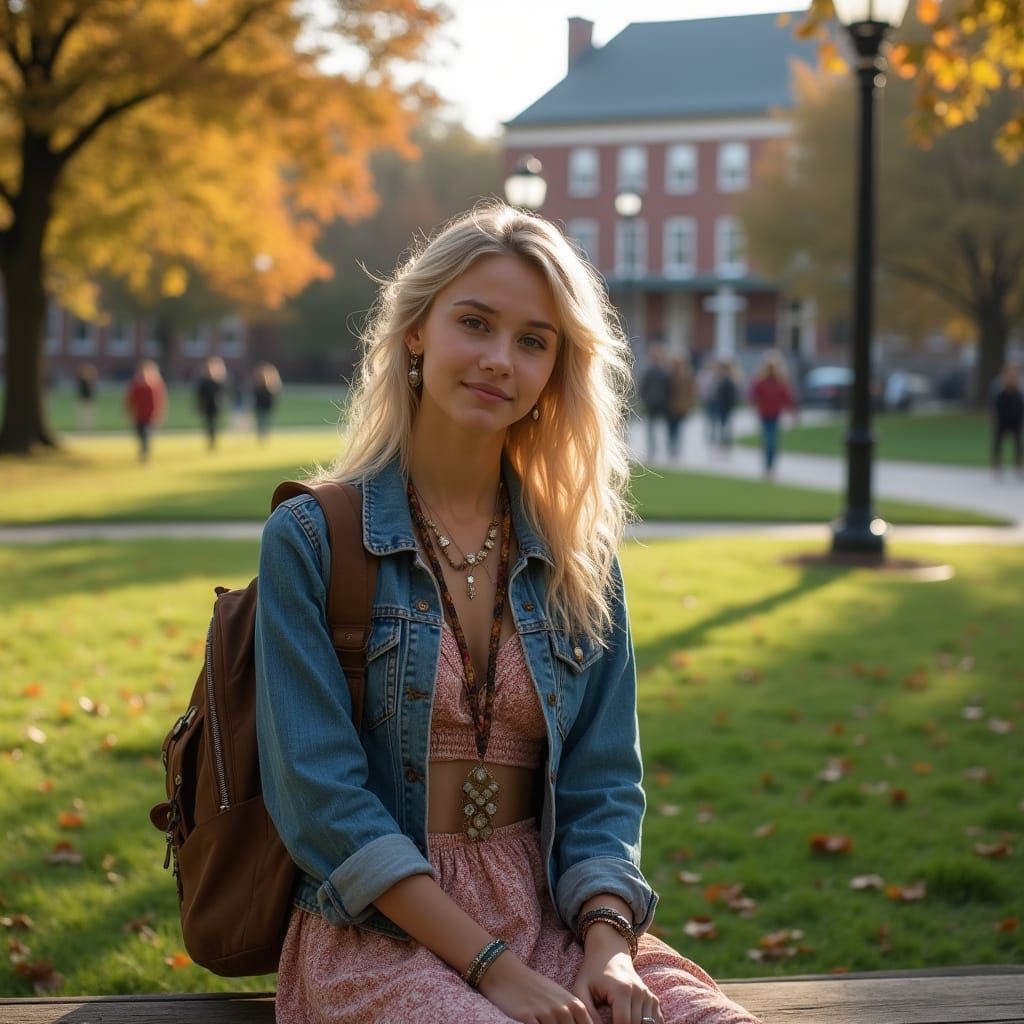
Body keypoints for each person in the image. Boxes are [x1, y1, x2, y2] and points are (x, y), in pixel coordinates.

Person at [255, 204, 759, 1024]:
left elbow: (603, 785)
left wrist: (608, 946)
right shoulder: (313, 539)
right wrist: (489, 969)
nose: (500, 359)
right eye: (475, 323)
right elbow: (322, 803)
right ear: (416, 330)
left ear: (557, 368)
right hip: (381, 933)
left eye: (533, 340)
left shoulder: (577, 558)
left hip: (553, 919)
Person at [749, 351, 797, 476]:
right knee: (767, 439)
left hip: (775, 414)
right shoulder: (761, 382)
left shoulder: (781, 383)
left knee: (773, 440)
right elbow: (754, 396)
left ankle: (771, 464)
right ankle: (767, 463)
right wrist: (754, 408)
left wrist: (793, 414)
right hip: (764, 414)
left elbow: (788, 399)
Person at [123, 360, 166, 462]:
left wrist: (157, 413)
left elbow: (158, 401)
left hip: (149, 415)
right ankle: (143, 452)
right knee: (140, 434)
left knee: (146, 434)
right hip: (139, 414)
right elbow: (131, 399)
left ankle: (145, 454)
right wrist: (128, 411)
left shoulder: (153, 386)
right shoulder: (136, 385)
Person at [638, 342, 671, 461]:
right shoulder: (662, 372)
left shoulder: (652, 371)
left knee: (652, 427)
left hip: (652, 403)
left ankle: (653, 450)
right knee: (657, 427)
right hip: (658, 403)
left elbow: (643, 387)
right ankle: (656, 450)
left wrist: (643, 398)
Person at [990, 363, 1023, 479]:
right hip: (1002, 419)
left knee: (1018, 443)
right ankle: (997, 466)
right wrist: (994, 418)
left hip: (1016, 419)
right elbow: (994, 404)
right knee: (998, 442)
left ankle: (1018, 466)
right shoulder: (998, 386)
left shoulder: (1019, 387)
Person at [666, 353, 697, 460]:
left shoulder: (686, 376)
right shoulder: (669, 375)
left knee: (677, 428)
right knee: (671, 428)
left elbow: (691, 392)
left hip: (680, 407)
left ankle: (675, 446)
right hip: (670, 406)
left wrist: (690, 404)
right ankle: (672, 446)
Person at [195, 355, 227, 449]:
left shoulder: (219, 381)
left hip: (216, 406)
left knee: (214, 425)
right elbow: (200, 395)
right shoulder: (203, 381)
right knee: (208, 425)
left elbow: (222, 394)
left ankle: (213, 442)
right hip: (207, 406)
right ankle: (210, 441)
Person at [251, 361, 283, 442]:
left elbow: (274, 395)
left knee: (264, 421)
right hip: (260, 406)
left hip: (266, 406)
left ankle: (264, 437)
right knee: (261, 422)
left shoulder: (271, 384)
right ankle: (262, 437)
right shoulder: (257, 384)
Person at [711, 360, 739, 449]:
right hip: (722, 405)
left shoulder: (729, 380)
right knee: (723, 423)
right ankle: (724, 439)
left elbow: (732, 395)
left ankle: (726, 440)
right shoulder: (721, 379)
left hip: (726, 405)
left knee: (726, 423)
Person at [75, 363, 98, 431]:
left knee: (89, 414)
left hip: (89, 398)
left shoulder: (91, 380)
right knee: (81, 414)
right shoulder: (81, 380)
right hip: (82, 398)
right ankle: (81, 427)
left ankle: (88, 427)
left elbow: (95, 375)